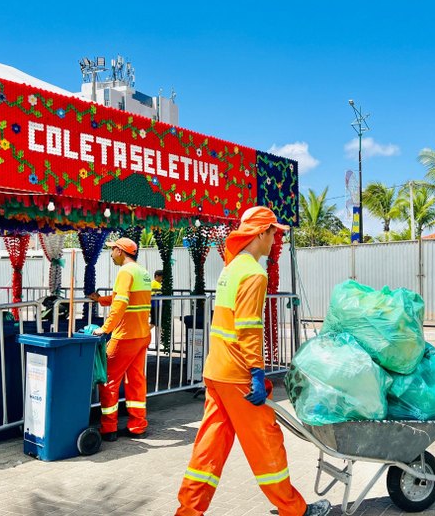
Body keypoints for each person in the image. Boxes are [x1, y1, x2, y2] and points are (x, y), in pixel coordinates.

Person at [175, 206, 330, 516]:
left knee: (210, 445)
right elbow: (248, 329)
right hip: (238, 376)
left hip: (217, 371)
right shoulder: (254, 273)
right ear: (261, 233)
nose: (276, 240)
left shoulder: (231, 268)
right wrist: (257, 373)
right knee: (266, 441)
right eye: (274, 232)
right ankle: (294, 510)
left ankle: (188, 511)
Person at [88, 237, 153, 442]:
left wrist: (105, 329)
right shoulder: (142, 272)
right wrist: (100, 299)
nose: (111, 253)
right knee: (136, 381)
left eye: (113, 249)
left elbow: (121, 304)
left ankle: (108, 428)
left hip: (125, 336)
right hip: (141, 335)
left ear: (121, 251)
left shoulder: (125, 272)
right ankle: (138, 424)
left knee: (108, 380)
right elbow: (122, 299)